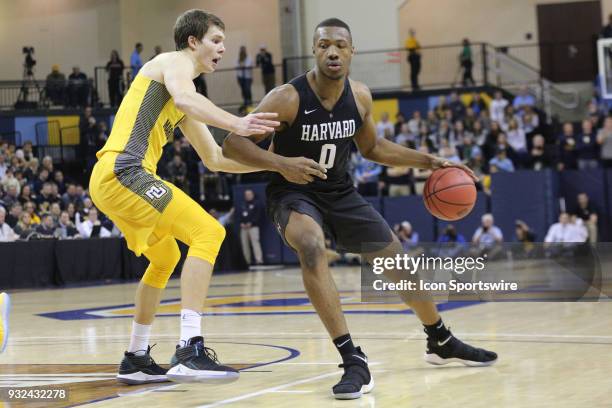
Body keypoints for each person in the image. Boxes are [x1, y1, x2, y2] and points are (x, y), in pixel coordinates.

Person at [223, 17, 497, 400]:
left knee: (399, 264)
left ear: (351, 51)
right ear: (315, 51)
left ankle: (440, 338)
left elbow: (373, 149)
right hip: (291, 192)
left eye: (340, 45)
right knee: (312, 246)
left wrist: (429, 161)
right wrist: (282, 164)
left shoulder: (361, 96)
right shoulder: (286, 97)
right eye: (323, 45)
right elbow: (233, 145)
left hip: (339, 192)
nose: (332, 51)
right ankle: (352, 358)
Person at [89, 9, 281, 385]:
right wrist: (238, 122)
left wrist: (277, 165)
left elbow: (215, 159)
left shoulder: (184, 99)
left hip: (114, 180)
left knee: (166, 258)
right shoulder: (172, 63)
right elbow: (189, 100)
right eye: (216, 40)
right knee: (209, 233)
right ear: (193, 42)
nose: (222, 48)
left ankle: (135, 356)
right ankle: (189, 349)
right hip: (124, 171)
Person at [239, 189, 264, 266]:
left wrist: (251, 223)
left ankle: (259, 260)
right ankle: (247, 261)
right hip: (243, 228)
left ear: (252, 195)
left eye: (249, 194)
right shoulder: (242, 204)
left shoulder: (257, 203)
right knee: (244, 244)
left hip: (253, 227)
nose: (247, 196)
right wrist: (241, 223)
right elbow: (239, 215)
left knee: (255, 243)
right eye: (246, 195)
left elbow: (258, 215)